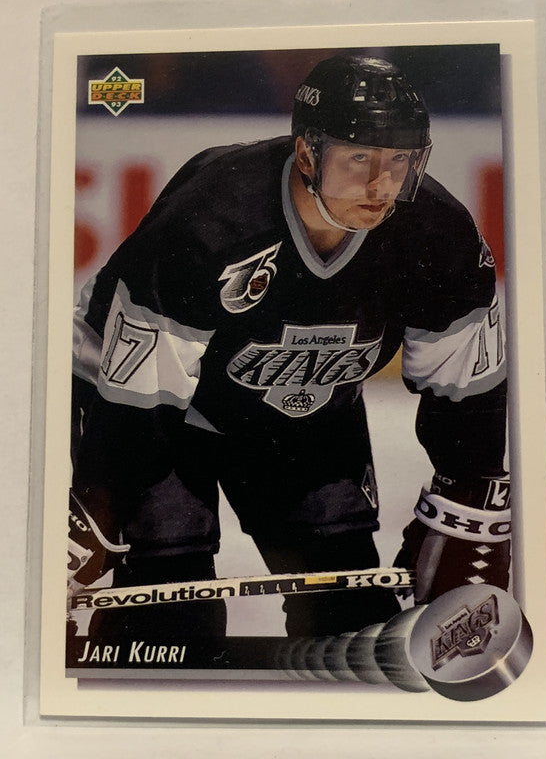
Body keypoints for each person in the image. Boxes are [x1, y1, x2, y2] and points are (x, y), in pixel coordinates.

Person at [68, 54, 510, 644]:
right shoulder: (211, 219)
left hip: (305, 412)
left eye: (399, 161)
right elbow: (139, 400)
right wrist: (96, 510)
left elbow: (466, 388)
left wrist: (469, 493)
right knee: (170, 620)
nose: (382, 184)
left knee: (352, 617)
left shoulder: (438, 235)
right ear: (307, 154)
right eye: (359, 159)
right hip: (149, 414)